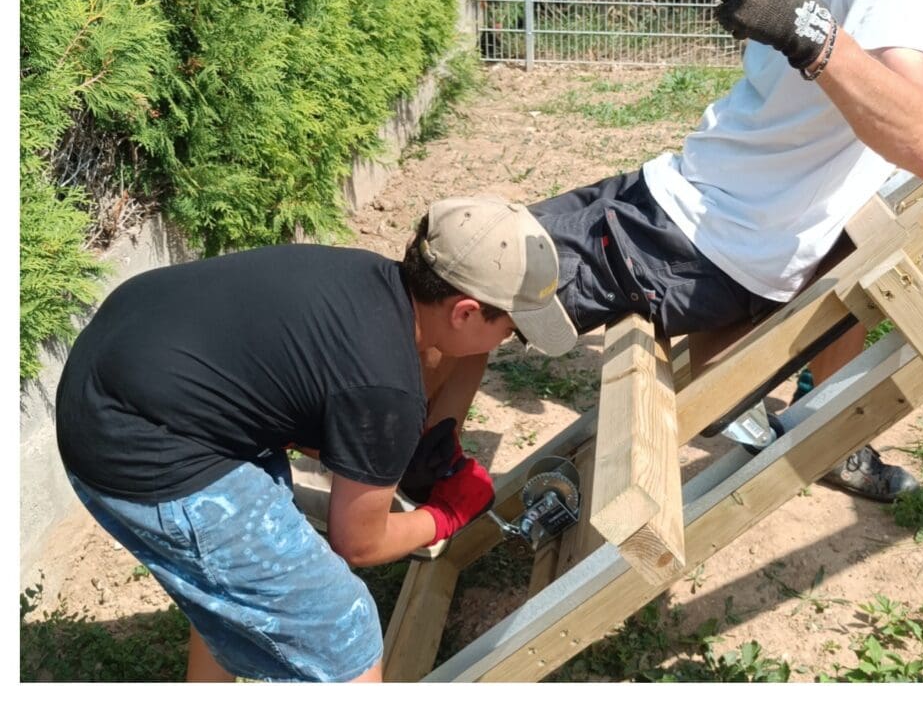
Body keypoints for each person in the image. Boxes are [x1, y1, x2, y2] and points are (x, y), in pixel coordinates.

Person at [447, 0, 923, 505]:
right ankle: (427, 467)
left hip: (705, 244)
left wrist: (808, 31)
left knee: (462, 278)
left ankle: (407, 488)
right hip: (677, 193)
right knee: (468, 243)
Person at [53, 198, 574, 683]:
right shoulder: (386, 387)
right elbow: (359, 542)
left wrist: (385, 453)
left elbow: (298, 390)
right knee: (344, 633)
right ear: (465, 312)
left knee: (248, 580)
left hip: (121, 369)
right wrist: (448, 515)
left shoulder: (368, 279)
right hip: (138, 440)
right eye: (512, 329)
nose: (509, 341)